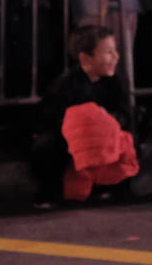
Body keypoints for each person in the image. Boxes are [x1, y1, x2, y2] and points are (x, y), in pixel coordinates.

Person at [31, 25, 129, 207]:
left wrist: (108, 120)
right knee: (46, 146)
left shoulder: (114, 81)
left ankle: (109, 187)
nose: (115, 57)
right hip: (72, 144)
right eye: (108, 52)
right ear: (85, 58)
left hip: (104, 140)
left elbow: (125, 113)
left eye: (115, 50)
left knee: (127, 140)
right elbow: (50, 119)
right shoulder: (66, 85)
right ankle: (51, 191)